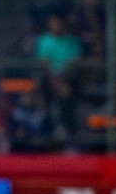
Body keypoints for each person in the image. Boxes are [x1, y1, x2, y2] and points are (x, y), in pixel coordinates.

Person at [34, 14, 81, 146]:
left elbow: (75, 62)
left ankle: (71, 138)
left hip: (68, 79)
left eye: (57, 21)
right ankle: (48, 137)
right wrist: (56, 81)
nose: (55, 24)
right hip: (49, 79)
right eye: (52, 22)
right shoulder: (43, 41)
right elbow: (43, 63)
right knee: (45, 88)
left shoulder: (72, 41)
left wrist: (63, 81)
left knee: (70, 93)